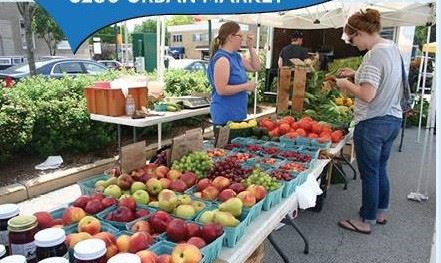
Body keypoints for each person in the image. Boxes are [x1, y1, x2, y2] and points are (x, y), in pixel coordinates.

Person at [335, 9, 403, 234]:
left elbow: (367, 95)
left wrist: (346, 84)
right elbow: (382, 80)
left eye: (353, 38)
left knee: (370, 173)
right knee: (381, 168)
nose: (353, 44)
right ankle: (380, 212)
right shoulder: (391, 48)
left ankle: (366, 220)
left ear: (362, 32)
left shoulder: (373, 55)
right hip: (392, 119)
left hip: (373, 123)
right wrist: (357, 73)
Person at [207, 21, 260, 128]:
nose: (242, 39)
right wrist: (246, 86)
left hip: (237, 115)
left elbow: (256, 67)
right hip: (225, 116)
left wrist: (250, 47)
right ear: (231, 37)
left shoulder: (236, 57)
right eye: (240, 36)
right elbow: (221, 89)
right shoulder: (222, 59)